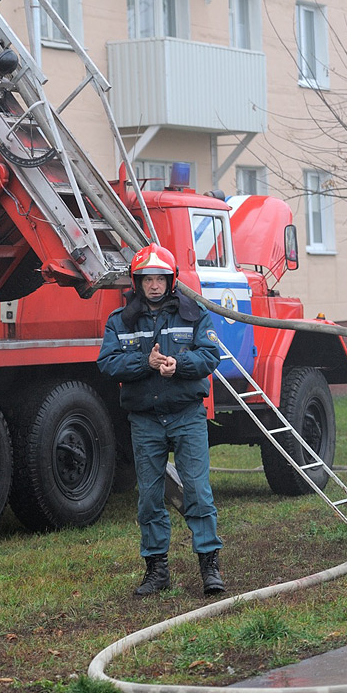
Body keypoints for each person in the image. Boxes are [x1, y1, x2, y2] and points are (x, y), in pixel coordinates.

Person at [97, 244, 226, 597]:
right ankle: (156, 572)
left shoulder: (195, 314)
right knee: (149, 498)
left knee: (198, 492)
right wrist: (147, 364)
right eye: (147, 279)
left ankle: (210, 567)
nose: (154, 285)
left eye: (160, 279)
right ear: (136, 282)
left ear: (172, 280)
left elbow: (210, 355)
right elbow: (107, 363)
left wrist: (178, 365)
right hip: (145, 420)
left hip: (187, 416)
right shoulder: (119, 321)